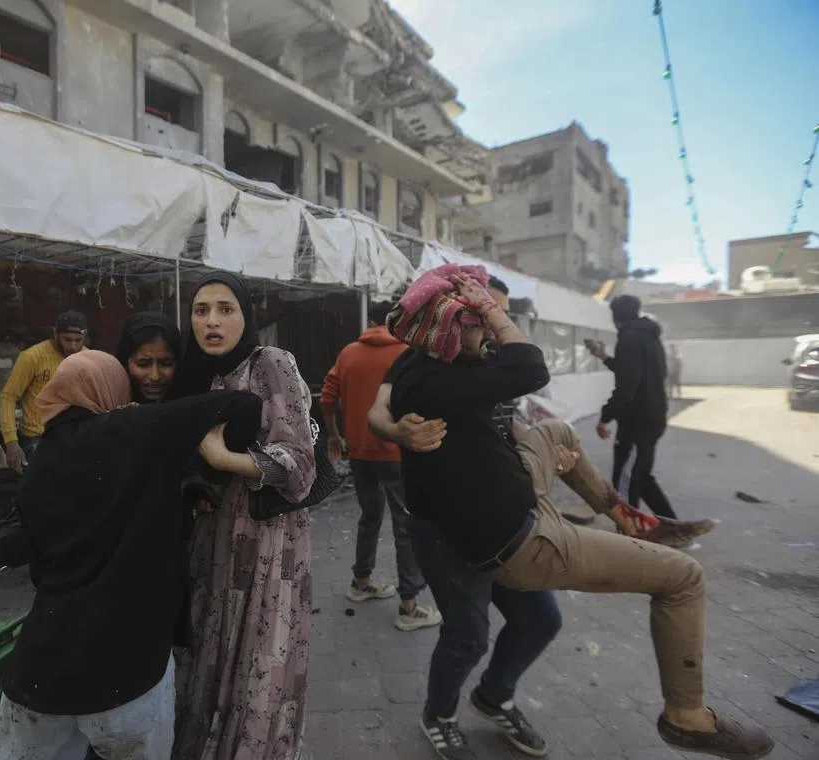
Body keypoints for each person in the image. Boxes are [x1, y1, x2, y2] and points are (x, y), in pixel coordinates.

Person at [382, 265, 773, 760]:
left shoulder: (457, 367)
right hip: (501, 535)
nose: (499, 324)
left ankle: (496, 692)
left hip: (510, 495)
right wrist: (394, 430)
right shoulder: (428, 376)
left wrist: (537, 456)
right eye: (487, 313)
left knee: (542, 614)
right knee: (682, 579)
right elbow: (529, 368)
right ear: (453, 327)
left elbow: (500, 420)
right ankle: (686, 716)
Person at [0, 350, 264, 760]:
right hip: (126, 674)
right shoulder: (133, 428)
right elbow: (246, 405)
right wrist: (215, 461)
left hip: (39, 676)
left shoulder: (40, 461)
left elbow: (40, 562)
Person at [171, 272, 316, 760]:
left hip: (266, 540)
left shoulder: (269, 363)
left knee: (258, 663)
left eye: (225, 309)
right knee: (211, 658)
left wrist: (224, 460)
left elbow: (300, 463)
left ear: (246, 315)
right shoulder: (194, 374)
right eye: (200, 310)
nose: (211, 321)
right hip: (212, 537)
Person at [321, 301, 441, 632]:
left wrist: (334, 435)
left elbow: (326, 397)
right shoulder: (408, 354)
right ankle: (408, 606)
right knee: (405, 525)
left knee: (369, 517)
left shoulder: (349, 353)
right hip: (397, 454)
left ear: (371, 319)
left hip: (360, 453)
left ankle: (360, 584)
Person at [593, 295, 683, 523]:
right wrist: (604, 357)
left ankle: (629, 537)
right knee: (640, 477)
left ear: (614, 316)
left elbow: (627, 385)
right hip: (654, 417)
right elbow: (633, 373)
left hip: (637, 423)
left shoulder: (629, 339)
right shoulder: (649, 337)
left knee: (624, 480)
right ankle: (672, 526)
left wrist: (605, 417)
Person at [0, 310, 88, 473]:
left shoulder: (87, 358)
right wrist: (11, 442)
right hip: (37, 440)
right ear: (55, 333)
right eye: (67, 340)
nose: (73, 346)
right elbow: (8, 397)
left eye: (78, 340)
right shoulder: (32, 357)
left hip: (73, 437)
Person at [116, 311, 181, 404]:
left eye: (166, 364)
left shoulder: (193, 408)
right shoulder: (107, 409)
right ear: (125, 363)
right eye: (143, 364)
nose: (155, 377)